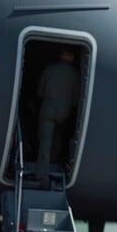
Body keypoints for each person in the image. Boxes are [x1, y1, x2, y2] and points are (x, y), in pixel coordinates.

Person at [34, 48, 80, 189]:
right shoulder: (75, 74)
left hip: (49, 108)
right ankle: (53, 164)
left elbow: (39, 91)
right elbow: (75, 99)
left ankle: (42, 175)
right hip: (65, 111)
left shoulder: (50, 69)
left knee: (45, 143)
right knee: (57, 139)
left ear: (61, 55)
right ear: (71, 58)